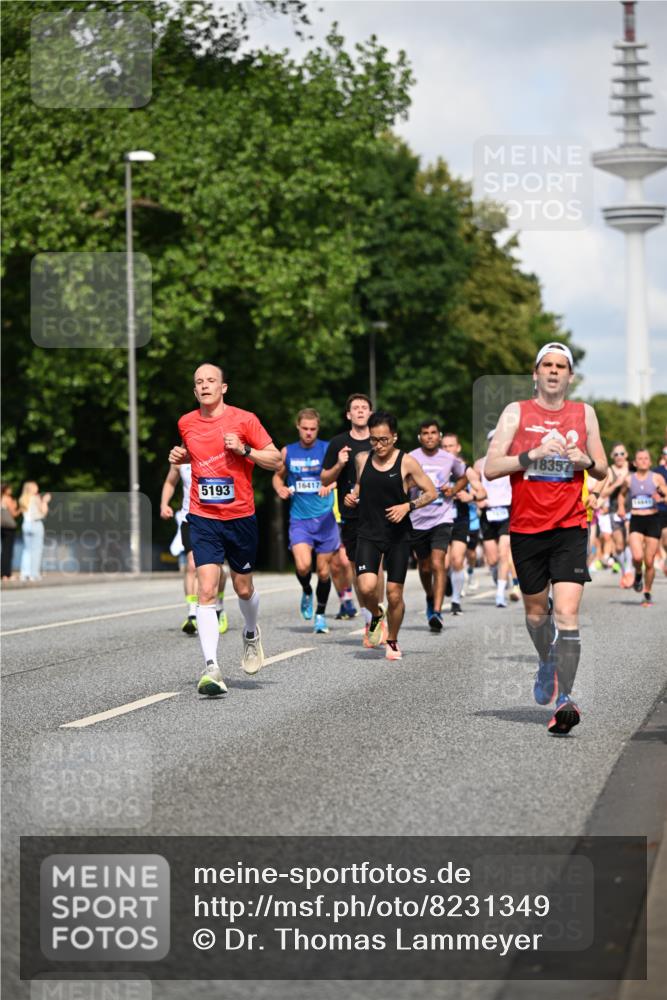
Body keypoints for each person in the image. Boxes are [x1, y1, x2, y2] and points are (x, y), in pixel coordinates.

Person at [485, 342, 607, 736]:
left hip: (570, 527)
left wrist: (584, 461)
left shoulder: (583, 414)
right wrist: (531, 454)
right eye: (547, 365)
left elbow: (602, 467)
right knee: (537, 615)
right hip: (525, 530)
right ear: (536, 373)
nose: (554, 371)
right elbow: (490, 467)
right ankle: (546, 661)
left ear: (570, 376)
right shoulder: (515, 413)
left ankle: (565, 700)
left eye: (561, 366)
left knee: (568, 615)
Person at [169, 364, 281, 696]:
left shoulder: (245, 420)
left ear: (224, 387)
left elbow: (275, 460)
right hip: (202, 517)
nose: (204, 386)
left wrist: (245, 450)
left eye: (211, 381)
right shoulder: (186, 423)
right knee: (206, 588)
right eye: (199, 382)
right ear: (195, 391)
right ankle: (212, 668)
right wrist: (181, 454)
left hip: (240, 517)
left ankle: (250, 631)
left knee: (243, 588)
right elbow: (195, 454)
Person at [345, 411, 436, 660]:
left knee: (395, 594)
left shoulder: (406, 462)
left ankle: (392, 640)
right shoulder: (363, 459)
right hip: (368, 532)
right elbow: (358, 491)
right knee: (366, 588)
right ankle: (376, 615)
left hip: (398, 536)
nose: (379, 445)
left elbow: (431, 492)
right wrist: (352, 499)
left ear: (394, 437)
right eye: (374, 440)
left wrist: (408, 506)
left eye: (383, 439)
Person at [322, 393, 384, 644]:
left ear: (370, 413)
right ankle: (371, 617)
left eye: (364, 408)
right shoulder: (338, 443)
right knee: (360, 573)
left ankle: (378, 616)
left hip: (378, 515)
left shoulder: (379, 442)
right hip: (351, 517)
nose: (360, 411)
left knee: (376, 570)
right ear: (348, 414)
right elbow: (325, 479)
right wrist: (339, 464)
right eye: (355, 408)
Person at [272, 408, 339, 634]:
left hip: (325, 518)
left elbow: (341, 475)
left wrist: (331, 484)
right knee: (302, 566)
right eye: (305, 429)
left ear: (317, 429)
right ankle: (306, 591)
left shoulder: (327, 448)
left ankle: (320, 615)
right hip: (300, 518)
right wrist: (280, 488)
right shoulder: (288, 451)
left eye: (313, 429)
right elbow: (277, 476)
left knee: (322, 571)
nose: (309, 433)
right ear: (298, 427)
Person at [408, 420, 467, 631]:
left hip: (442, 518)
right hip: (417, 519)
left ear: (439, 435)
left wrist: (453, 489)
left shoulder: (449, 458)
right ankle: (430, 596)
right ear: (420, 437)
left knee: (438, 562)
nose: (430, 436)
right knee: (424, 566)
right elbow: (402, 483)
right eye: (425, 433)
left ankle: (437, 612)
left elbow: (463, 476)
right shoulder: (411, 457)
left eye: (433, 433)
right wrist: (411, 484)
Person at [160, 463, 228, 635]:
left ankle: (218, 608)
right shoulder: (179, 459)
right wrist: (164, 504)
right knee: (192, 564)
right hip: (189, 519)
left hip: (217, 519)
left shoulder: (214, 451)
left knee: (217, 569)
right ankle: (192, 613)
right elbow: (170, 482)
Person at [441, 432, 486, 615]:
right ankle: (448, 582)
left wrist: (470, 497)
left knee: (457, 559)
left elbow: (482, 492)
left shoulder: (466, 469)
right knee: (443, 565)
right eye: (444, 447)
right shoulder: (436, 468)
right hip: (440, 520)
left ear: (458, 448)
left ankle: (456, 601)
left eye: (451, 446)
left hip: (461, 519)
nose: (448, 450)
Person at [616, 449, 667, 607]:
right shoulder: (629, 479)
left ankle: (647, 592)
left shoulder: (657, 478)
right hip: (636, 520)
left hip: (653, 519)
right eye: (640, 458)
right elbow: (622, 495)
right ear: (635, 462)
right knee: (637, 557)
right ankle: (638, 573)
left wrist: (662, 497)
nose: (644, 461)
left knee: (649, 561)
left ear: (650, 461)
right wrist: (621, 508)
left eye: (646, 458)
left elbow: (666, 495)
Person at [475, 430, 513, 608]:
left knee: (504, 552)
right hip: (488, 512)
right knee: (492, 559)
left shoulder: (511, 463)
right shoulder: (479, 464)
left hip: (507, 509)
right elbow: (473, 487)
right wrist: (478, 500)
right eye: (492, 441)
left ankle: (500, 594)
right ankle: (499, 577)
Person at [18, 482, 51, 581]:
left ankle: (24, 574)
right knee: (36, 550)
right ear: (32, 488)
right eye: (36, 486)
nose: (38, 488)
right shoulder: (35, 498)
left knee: (27, 550)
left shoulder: (22, 499)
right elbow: (43, 512)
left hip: (26, 524)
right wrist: (45, 501)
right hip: (36, 524)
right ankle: (34, 574)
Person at [1, 483, 19, 580]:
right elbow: (14, 514)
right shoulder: (7, 499)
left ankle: (3, 574)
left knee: (4, 551)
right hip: (9, 527)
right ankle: (7, 574)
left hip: (2, 526)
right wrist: (18, 507)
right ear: (6, 490)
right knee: (8, 551)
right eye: (10, 489)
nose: (11, 490)